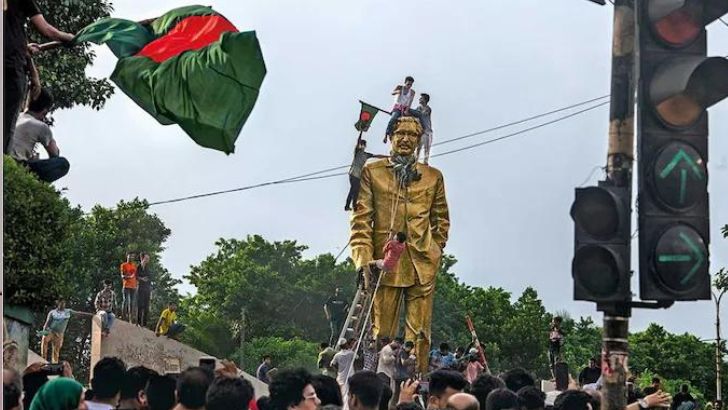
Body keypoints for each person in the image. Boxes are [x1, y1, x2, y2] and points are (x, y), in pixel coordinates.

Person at [351, 116, 450, 373]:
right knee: (381, 332)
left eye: (412, 135)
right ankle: (377, 387)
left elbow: (441, 220)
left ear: (419, 141)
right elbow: (361, 221)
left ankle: (415, 387)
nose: (406, 139)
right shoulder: (372, 172)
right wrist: (363, 261)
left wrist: (435, 249)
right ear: (390, 137)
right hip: (385, 265)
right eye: (400, 133)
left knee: (419, 335)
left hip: (422, 264)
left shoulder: (433, 176)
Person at [4, 0, 74, 153]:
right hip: (11, 68)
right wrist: (70, 38)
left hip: (11, 61)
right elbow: (48, 31)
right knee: (5, 126)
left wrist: (24, 48)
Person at [7, 88, 70, 182]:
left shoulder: (15, 115)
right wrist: (50, 138)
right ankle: (33, 183)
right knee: (63, 164)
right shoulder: (41, 126)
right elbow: (54, 154)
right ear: (45, 111)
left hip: (5, 155)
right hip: (17, 163)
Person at [40, 298, 91, 363]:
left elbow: (79, 313)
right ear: (58, 303)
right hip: (51, 331)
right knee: (45, 340)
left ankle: (54, 362)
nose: (62, 304)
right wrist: (44, 331)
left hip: (59, 333)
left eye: (64, 303)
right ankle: (43, 358)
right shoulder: (52, 312)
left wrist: (90, 315)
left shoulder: (68, 311)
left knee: (56, 349)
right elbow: (47, 323)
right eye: (61, 303)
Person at [346, 138, 387, 211]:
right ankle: (349, 206)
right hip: (353, 173)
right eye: (361, 145)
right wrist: (361, 131)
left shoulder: (366, 154)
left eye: (364, 145)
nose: (362, 146)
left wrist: (388, 157)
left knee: (356, 190)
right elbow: (358, 141)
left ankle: (352, 206)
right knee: (353, 189)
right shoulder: (357, 152)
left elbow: (377, 156)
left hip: (358, 175)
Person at [384, 76, 416, 142]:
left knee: (416, 116)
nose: (409, 86)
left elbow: (410, 102)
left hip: (405, 108)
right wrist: (397, 92)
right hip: (397, 107)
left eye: (410, 85)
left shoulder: (412, 92)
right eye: (408, 84)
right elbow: (392, 93)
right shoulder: (400, 87)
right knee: (393, 119)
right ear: (405, 82)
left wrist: (407, 110)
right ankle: (387, 134)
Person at [410, 93, 433, 165]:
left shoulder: (427, 109)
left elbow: (421, 114)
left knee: (427, 148)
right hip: (420, 131)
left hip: (427, 131)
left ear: (425, 100)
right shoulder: (418, 108)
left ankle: (425, 162)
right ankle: (416, 160)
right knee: (418, 147)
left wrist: (411, 112)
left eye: (421, 98)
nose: (419, 99)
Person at [120, 252, 138, 323]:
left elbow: (136, 276)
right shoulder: (123, 265)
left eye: (132, 257)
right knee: (126, 301)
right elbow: (122, 275)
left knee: (132, 303)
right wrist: (128, 277)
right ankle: (123, 316)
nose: (131, 258)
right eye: (130, 256)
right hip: (126, 285)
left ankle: (131, 319)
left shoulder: (134, 266)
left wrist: (137, 285)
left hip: (133, 286)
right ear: (127, 256)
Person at [136, 253, 153, 327]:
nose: (147, 260)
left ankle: (145, 324)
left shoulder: (148, 268)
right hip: (140, 288)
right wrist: (141, 279)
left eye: (148, 259)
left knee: (146, 307)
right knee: (140, 306)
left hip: (147, 289)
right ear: (142, 258)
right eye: (146, 258)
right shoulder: (138, 267)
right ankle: (139, 323)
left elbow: (150, 277)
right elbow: (136, 276)